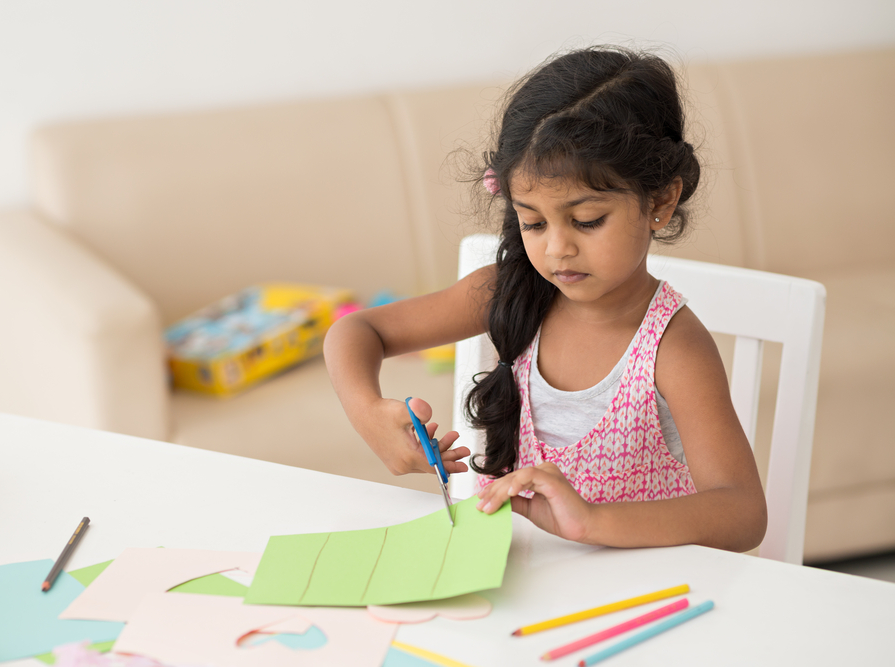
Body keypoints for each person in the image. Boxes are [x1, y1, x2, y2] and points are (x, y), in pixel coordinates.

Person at [323, 46, 767, 553]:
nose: (558, 248)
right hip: (512, 582)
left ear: (661, 201)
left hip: (633, 596)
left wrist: (591, 523)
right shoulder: (508, 291)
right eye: (533, 222)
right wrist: (367, 411)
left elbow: (742, 512)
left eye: (586, 220)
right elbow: (357, 331)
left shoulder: (673, 347)